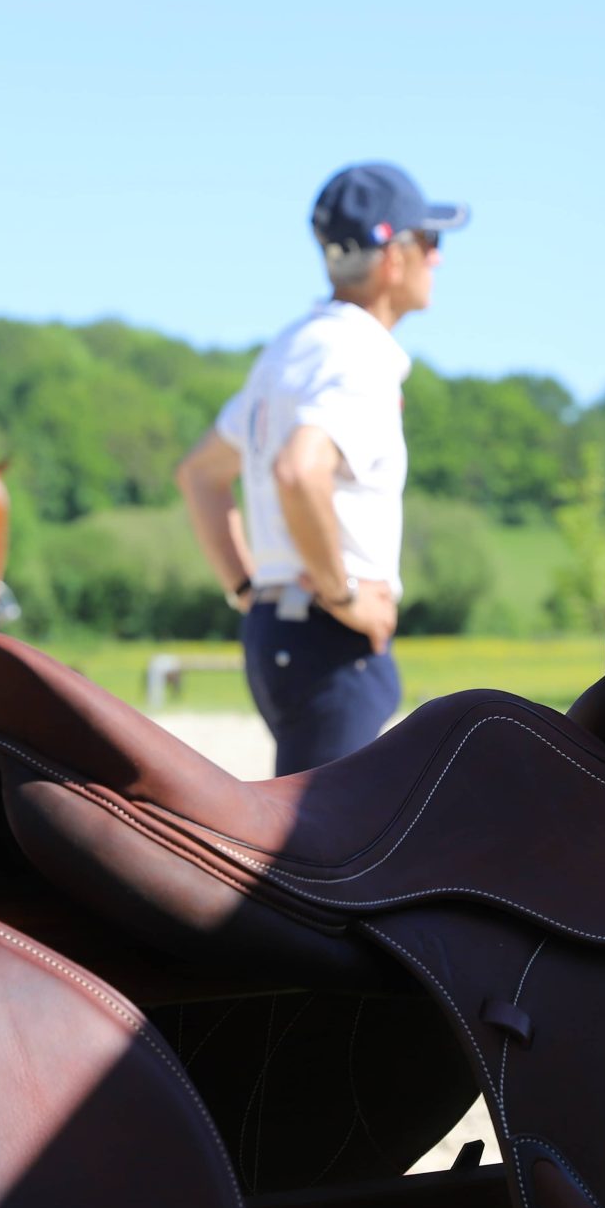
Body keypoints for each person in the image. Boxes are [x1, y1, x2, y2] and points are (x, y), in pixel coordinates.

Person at [176, 162, 467, 773]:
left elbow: (200, 475)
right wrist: (346, 597)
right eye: (432, 242)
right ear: (394, 258)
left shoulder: (292, 347)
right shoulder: (359, 355)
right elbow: (298, 470)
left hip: (280, 636)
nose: (438, 259)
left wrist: (248, 591)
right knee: (331, 862)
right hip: (331, 644)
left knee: (313, 845)